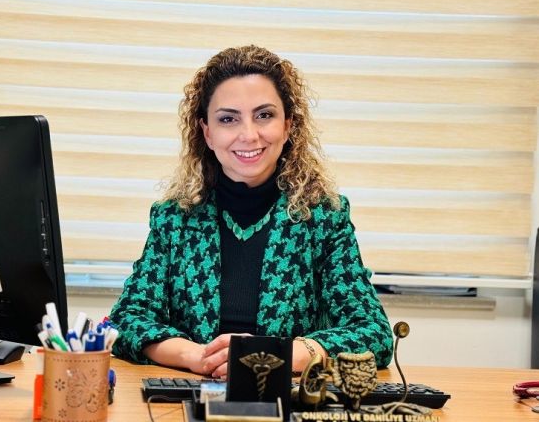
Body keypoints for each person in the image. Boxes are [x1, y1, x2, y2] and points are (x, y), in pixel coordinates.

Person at [109, 45, 393, 379]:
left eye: (264, 115)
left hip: (285, 397)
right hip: (194, 390)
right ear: (207, 132)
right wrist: (197, 356)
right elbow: (126, 320)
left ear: (288, 125)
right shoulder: (175, 217)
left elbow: (373, 333)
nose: (248, 134)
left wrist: (279, 354)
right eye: (228, 119)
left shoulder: (323, 217)